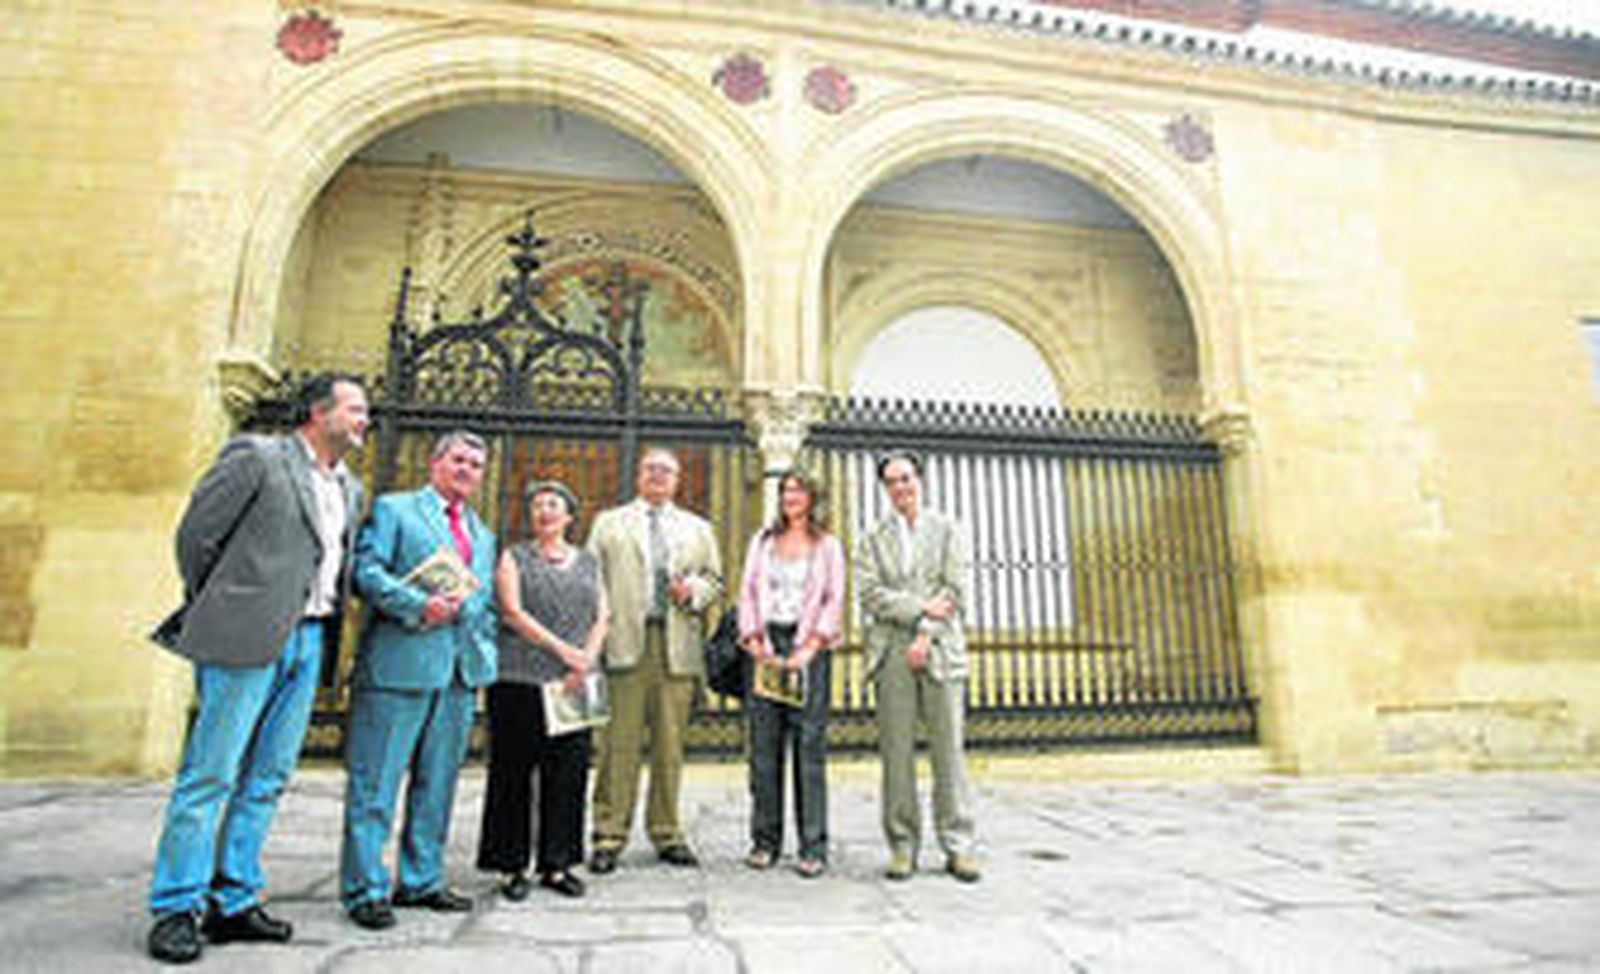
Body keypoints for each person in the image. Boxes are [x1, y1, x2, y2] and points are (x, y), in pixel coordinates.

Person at [144, 373, 368, 964]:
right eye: (355, 408)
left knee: (268, 776)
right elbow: (197, 537)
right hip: (244, 635)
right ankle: (175, 905)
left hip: (310, 639)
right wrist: (227, 601)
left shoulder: (350, 486)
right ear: (318, 412)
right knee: (210, 774)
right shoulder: (258, 456)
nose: (364, 419)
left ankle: (234, 897)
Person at [339, 431, 498, 930]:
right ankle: (365, 887)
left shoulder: (483, 532)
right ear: (435, 462)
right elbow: (365, 571)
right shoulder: (396, 510)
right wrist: (416, 606)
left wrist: (483, 651)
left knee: (438, 785)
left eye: (476, 464)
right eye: (458, 460)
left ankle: (421, 879)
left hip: (456, 675)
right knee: (376, 782)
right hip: (398, 666)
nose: (467, 469)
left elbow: (483, 603)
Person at [586, 447, 721, 872]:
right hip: (624, 641)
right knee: (616, 746)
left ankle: (667, 831)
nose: (659, 476)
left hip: (676, 645)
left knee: (669, 746)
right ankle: (609, 833)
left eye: (667, 471)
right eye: (651, 469)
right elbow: (590, 581)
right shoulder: (609, 523)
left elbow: (715, 580)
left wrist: (694, 593)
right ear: (639, 476)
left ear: (677, 480)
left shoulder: (697, 528)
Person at [477, 480, 608, 901]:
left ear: (570, 516)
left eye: (554, 504)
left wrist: (585, 659)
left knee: (569, 773)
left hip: (574, 682)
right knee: (513, 774)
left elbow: (603, 616)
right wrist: (565, 651)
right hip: (520, 679)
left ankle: (558, 863)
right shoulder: (513, 557)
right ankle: (510, 865)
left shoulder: (589, 562)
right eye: (537, 505)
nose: (545, 511)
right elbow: (512, 613)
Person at [855, 450, 981, 883]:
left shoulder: (947, 529)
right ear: (884, 489)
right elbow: (872, 595)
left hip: (941, 650)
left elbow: (955, 589)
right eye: (891, 482)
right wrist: (919, 608)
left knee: (949, 752)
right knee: (896, 754)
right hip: (892, 653)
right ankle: (902, 845)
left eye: (906, 479)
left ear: (920, 480)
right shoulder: (873, 537)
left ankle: (958, 845)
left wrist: (925, 631)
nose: (900, 488)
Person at [736, 469, 846, 878]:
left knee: (808, 746)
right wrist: (753, 638)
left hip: (809, 648)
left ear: (813, 497)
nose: (790, 496)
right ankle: (765, 841)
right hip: (765, 645)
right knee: (764, 747)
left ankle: (813, 845)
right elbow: (747, 589)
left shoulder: (828, 545)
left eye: (798, 490)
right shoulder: (762, 541)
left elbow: (835, 598)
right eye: (785, 490)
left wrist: (811, 647)